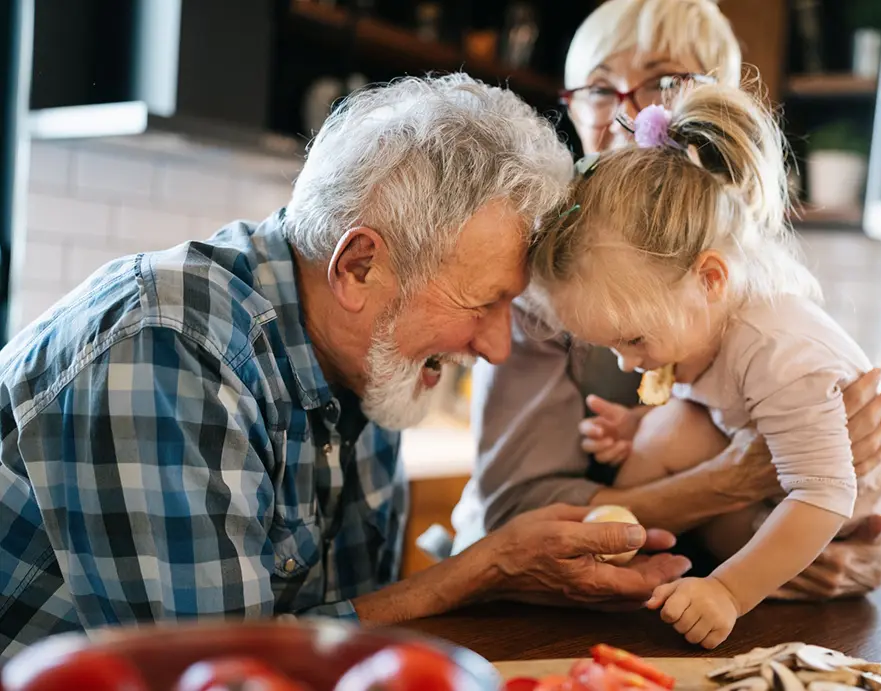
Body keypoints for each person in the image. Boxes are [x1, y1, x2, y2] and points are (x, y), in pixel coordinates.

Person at [0, 74, 693, 660]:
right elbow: (221, 670)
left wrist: (498, 575)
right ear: (359, 266)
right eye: (485, 302)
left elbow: (344, 630)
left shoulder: (372, 359)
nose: (497, 346)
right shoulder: (167, 348)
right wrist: (481, 569)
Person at [452, 0, 881, 600]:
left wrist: (833, 548)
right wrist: (739, 478)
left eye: (666, 83)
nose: (634, 114)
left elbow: (827, 485)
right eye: (599, 88)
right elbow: (515, 513)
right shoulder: (544, 280)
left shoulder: (752, 285)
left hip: (682, 580)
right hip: (543, 591)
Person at [526, 83, 881, 649]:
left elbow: (821, 495)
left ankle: (656, 575)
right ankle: (626, 567)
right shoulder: (706, 320)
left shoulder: (781, 351)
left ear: (710, 278)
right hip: (772, 497)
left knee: (684, 459)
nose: (627, 363)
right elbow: (723, 404)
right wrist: (634, 427)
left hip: (829, 521)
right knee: (661, 428)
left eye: (632, 338)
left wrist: (727, 591)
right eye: (611, 347)